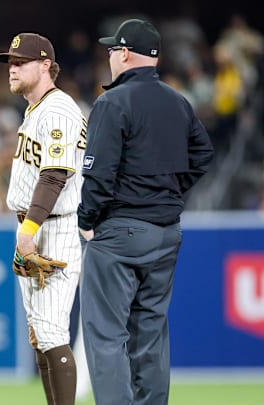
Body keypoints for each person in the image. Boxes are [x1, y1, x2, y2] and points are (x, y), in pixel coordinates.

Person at [77, 19, 214, 405]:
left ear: (123, 53)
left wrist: (86, 220)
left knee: (106, 336)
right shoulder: (177, 101)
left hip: (119, 233)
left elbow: (99, 176)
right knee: (150, 335)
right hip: (166, 231)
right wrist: (169, 192)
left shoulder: (112, 102)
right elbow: (203, 154)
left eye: (111, 49)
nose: (108, 56)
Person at [0, 33, 87, 405]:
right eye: (10, 63)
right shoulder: (36, 110)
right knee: (39, 333)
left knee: (50, 332)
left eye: (20, 62)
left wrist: (28, 231)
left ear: (46, 65)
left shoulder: (59, 109)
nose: (12, 69)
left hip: (53, 227)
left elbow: (55, 174)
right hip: (34, 225)